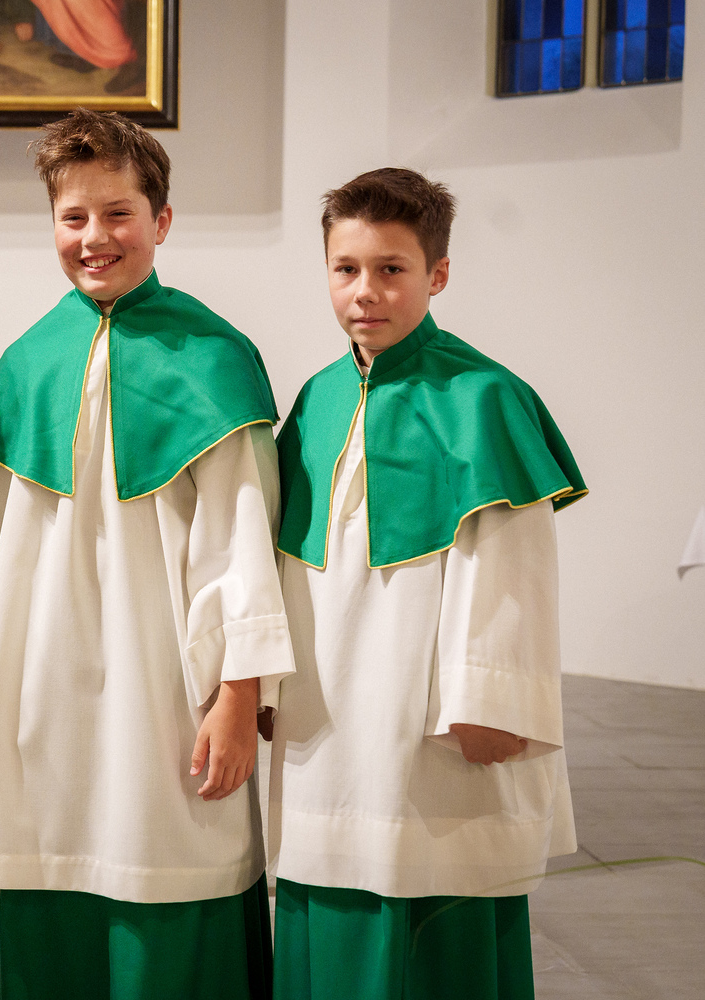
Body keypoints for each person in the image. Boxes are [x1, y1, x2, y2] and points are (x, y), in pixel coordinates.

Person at [0, 108, 291, 1000]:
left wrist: (240, 691)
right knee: (51, 849)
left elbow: (243, 539)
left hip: (167, 680)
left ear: (161, 221)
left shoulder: (213, 357)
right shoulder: (28, 360)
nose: (94, 238)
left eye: (118, 214)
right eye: (74, 218)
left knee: (170, 855)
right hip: (43, 677)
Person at [270, 167, 587, 999]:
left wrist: (492, 700)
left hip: (434, 727)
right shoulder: (318, 397)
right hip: (327, 717)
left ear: (437, 274)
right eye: (346, 268)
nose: (365, 291)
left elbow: (515, 568)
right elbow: (289, 563)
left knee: (434, 911)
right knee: (329, 891)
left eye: (391, 269)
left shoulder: (484, 398)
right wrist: (267, 682)